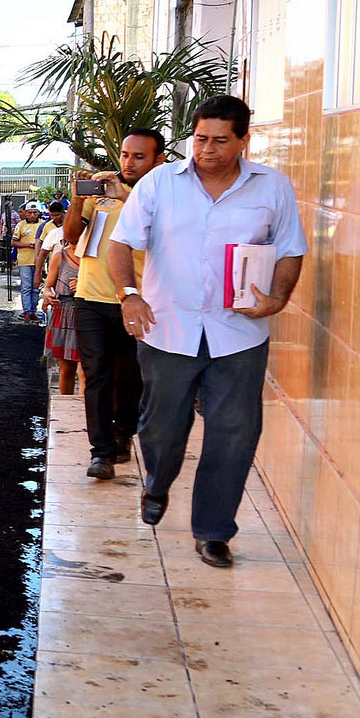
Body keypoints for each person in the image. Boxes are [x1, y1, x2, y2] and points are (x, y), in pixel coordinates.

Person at [106, 95, 307, 567]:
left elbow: (291, 250)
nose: (207, 150)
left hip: (238, 333)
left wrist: (277, 299)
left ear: (243, 140)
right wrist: (129, 294)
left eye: (220, 141)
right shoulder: (160, 183)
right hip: (167, 327)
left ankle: (214, 530)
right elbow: (121, 244)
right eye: (200, 139)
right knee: (161, 428)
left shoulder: (272, 188)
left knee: (234, 432)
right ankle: (157, 482)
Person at [67, 130, 162, 480]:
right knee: (97, 375)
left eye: (139, 157)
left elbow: (165, 236)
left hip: (134, 300)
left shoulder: (161, 195)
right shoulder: (102, 192)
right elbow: (73, 235)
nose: (128, 162)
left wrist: (129, 195)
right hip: (90, 295)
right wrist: (79, 200)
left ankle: (124, 432)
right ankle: (101, 452)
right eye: (125, 155)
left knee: (131, 376)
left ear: (158, 160)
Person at [41, 205, 82, 396]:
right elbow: (48, 284)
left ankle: (84, 413)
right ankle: (67, 408)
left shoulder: (94, 259)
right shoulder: (60, 256)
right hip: (63, 311)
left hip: (86, 313)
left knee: (84, 371)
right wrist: (47, 294)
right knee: (66, 369)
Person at [10, 203, 47, 323]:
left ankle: (33, 311)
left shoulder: (44, 225)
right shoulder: (20, 225)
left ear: (39, 213)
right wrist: (28, 245)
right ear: (25, 213)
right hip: (24, 261)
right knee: (26, 287)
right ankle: (27, 312)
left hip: (39, 261)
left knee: (36, 288)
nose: (32, 215)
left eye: (34, 212)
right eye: (29, 212)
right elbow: (14, 242)